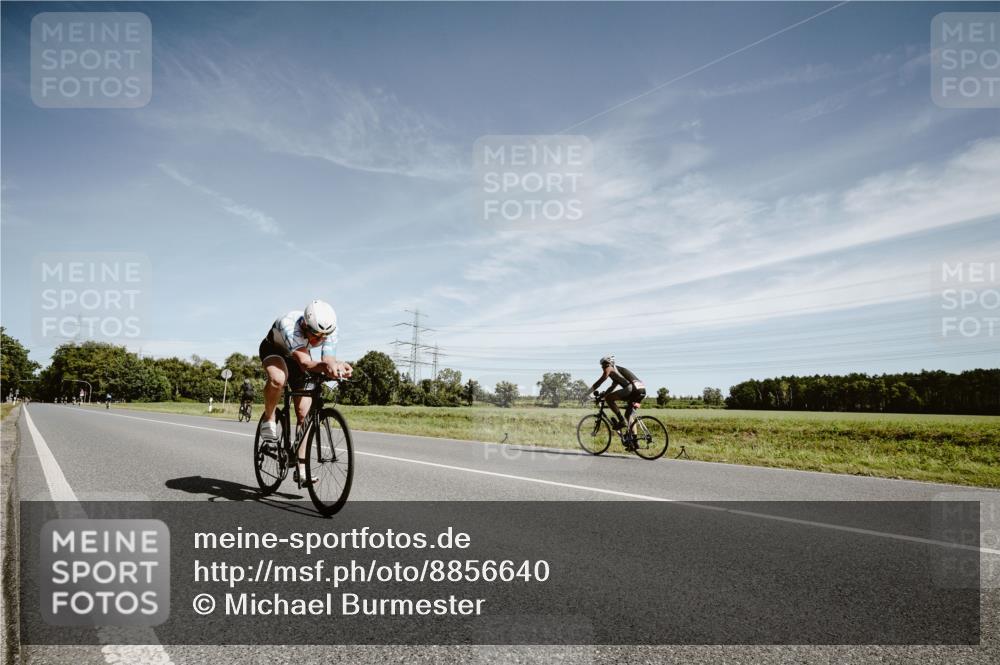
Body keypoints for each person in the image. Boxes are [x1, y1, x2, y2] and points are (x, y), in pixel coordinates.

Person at [258, 300, 352, 488]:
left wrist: (338, 367)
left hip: (300, 358)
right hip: (275, 351)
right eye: (315, 335)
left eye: (324, 336)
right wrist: (325, 367)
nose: (319, 340)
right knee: (278, 379)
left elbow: (328, 359)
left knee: (304, 413)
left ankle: (301, 470)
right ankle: (269, 420)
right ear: (304, 325)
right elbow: (305, 363)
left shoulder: (329, 330)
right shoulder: (290, 325)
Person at [589, 355, 646, 431]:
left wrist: (586, 393)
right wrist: (601, 397)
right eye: (602, 365)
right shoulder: (617, 372)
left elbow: (599, 382)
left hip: (633, 388)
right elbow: (612, 387)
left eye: (604, 364)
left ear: (610, 363)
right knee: (628, 415)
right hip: (641, 390)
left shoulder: (609, 369)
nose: (603, 367)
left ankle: (621, 421)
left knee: (609, 398)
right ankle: (634, 440)